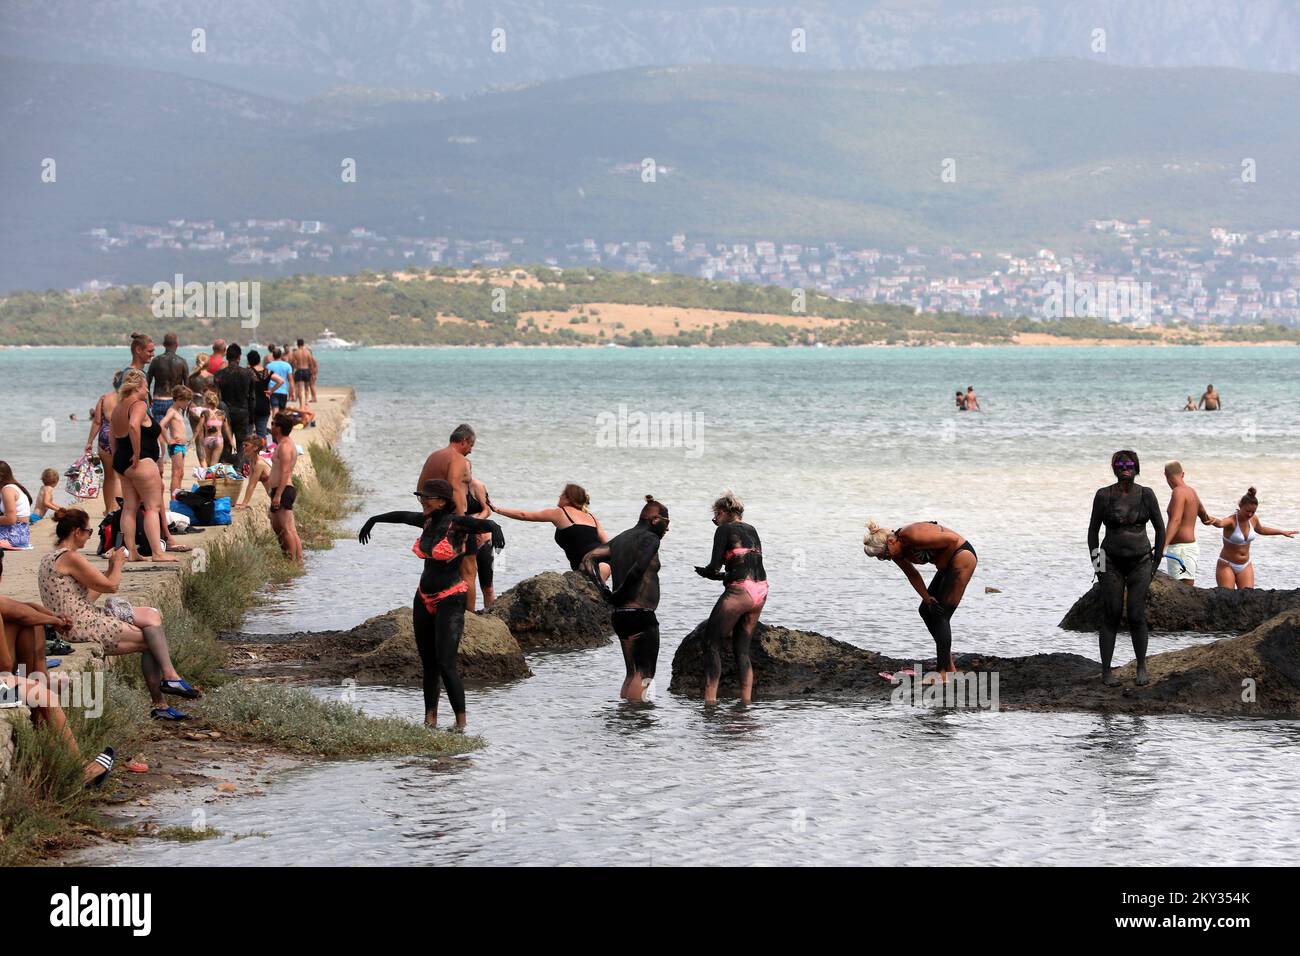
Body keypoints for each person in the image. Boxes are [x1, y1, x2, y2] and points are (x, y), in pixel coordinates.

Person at [357, 478, 503, 729]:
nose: (422, 502)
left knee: (446, 662)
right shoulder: (425, 521)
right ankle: (430, 721)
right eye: (420, 498)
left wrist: (497, 530)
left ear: (442, 501)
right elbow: (402, 516)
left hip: (451, 597)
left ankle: (461, 725)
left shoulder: (456, 524)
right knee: (428, 664)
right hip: (423, 597)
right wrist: (374, 519)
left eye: (427, 498)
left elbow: (486, 523)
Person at [38, 508, 199, 720]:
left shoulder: (51, 557)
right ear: (76, 531)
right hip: (79, 625)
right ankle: (163, 695)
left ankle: (167, 688)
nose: (90, 535)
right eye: (88, 531)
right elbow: (112, 586)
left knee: (152, 625)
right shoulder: (70, 557)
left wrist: (109, 569)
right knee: (151, 641)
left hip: (77, 619)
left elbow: (91, 594)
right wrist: (117, 565)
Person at [863, 518, 977, 681]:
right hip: (947, 565)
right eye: (880, 558)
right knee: (925, 610)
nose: (885, 559)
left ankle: (943, 673)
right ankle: (948, 664)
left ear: (891, 541)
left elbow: (952, 540)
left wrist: (943, 563)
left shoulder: (912, 535)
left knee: (941, 614)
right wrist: (927, 598)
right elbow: (912, 574)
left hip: (962, 556)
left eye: (884, 555)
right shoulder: (897, 552)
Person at [580, 495, 670, 703]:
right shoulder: (651, 539)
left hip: (620, 616)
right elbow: (639, 567)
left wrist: (603, 590)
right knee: (645, 673)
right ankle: (636, 719)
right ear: (654, 519)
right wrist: (620, 592)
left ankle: (624, 722)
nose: (667, 529)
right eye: (666, 523)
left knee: (632, 673)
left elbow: (588, 559)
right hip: (641, 615)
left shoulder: (621, 539)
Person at [1086, 450, 1164, 687]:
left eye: (1129, 464)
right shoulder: (1103, 495)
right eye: (1120, 464)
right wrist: (1098, 566)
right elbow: (1092, 532)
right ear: (1114, 468)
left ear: (1136, 467)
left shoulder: (1147, 495)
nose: (1125, 467)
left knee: (1136, 613)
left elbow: (1161, 529)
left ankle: (1141, 666)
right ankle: (1106, 672)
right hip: (1110, 562)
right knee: (1111, 613)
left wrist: (1155, 562)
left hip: (1141, 561)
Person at [695, 491, 767, 704]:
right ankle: (746, 702)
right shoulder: (752, 529)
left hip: (739, 592)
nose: (715, 522)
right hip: (761, 591)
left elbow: (715, 566)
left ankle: (710, 702)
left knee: (711, 643)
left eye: (714, 518)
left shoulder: (724, 530)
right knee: (742, 649)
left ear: (722, 512)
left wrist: (706, 572)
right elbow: (746, 562)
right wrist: (723, 575)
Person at [109, 370, 182, 563]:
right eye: (146, 387)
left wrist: (119, 456)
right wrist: (136, 452)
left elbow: (112, 436)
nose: (147, 391)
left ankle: (131, 551)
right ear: (138, 387)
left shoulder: (118, 407)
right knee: (152, 506)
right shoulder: (138, 404)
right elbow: (134, 426)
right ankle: (157, 553)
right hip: (140, 461)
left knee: (130, 507)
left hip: (122, 462)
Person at [417, 424, 481, 609]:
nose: (470, 451)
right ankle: (470, 618)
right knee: (469, 569)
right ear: (464, 441)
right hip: (454, 520)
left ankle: (434, 608)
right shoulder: (458, 459)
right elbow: (454, 487)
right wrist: (461, 523)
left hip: (433, 520)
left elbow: (421, 488)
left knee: (435, 567)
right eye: (471, 445)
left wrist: (429, 512)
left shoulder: (434, 456)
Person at [490, 482, 609, 576]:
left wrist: (498, 510)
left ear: (568, 499)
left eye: (562, 494)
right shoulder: (591, 516)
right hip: (603, 563)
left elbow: (524, 515)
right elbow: (606, 542)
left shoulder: (560, 513)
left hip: (586, 564)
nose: (559, 496)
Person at [1206, 487, 1297, 589]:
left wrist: (1282, 532)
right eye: (1247, 511)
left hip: (1245, 565)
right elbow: (1221, 523)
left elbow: (1261, 530)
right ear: (1240, 506)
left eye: (1253, 512)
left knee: (1248, 598)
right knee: (1227, 598)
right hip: (1227, 564)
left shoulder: (1253, 519)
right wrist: (1212, 520)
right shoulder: (1232, 520)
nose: (1250, 514)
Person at [1162, 461, 1210, 586]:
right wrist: (1218, 522)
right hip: (1188, 548)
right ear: (1182, 474)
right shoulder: (1191, 491)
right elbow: (1205, 516)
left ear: (1166, 475)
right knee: (1185, 592)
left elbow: (1176, 520)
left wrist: (1163, 545)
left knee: (1182, 593)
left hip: (1181, 550)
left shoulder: (1178, 492)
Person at [268, 414, 303, 564]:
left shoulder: (285, 446)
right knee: (285, 528)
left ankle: (292, 561)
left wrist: (278, 495)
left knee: (285, 529)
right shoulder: (283, 443)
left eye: (273, 423)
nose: (271, 425)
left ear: (279, 427)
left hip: (283, 490)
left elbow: (285, 471)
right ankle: (297, 561)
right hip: (280, 490)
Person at [85, 374, 122, 515]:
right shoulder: (126, 398)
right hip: (120, 436)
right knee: (119, 476)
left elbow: (97, 422)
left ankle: (109, 509)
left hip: (104, 438)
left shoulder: (104, 398)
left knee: (109, 476)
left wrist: (89, 442)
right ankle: (119, 509)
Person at [214, 342, 256, 457]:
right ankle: (239, 468)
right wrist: (252, 417)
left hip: (225, 413)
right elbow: (252, 398)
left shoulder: (219, 375)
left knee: (226, 443)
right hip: (243, 412)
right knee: (242, 444)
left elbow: (217, 399)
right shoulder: (248, 374)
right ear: (239, 357)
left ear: (226, 357)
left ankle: (226, 468)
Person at [158, 385, 193, 500]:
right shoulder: (171, 411)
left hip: (181, 445)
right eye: (185, 401)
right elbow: (161, 425)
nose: (187, 404)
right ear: (178, 399)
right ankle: (174, 499)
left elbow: (178, 428)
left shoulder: (178, 411)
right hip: (176, 446)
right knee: (176, 473)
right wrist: (168, 440)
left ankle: (178, 496)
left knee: (181, 473)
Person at [146, 332, 188, 423]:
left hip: (158, 400)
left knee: (160, 433)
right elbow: (186, 386)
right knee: (177, 434)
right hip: (175, 401)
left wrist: (149, 399)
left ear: (164, 345)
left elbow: (147, 382)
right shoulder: (182, 362)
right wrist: (185, 405)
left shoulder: (156, 361)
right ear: (177, 345)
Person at [468, 478, 498, 608]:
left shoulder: (477, 485)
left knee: (488, 587)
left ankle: (492, 617)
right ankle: (470, 616)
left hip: (487, 540)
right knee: (466, 583)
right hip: (466, 540)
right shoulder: (453, 486)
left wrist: (473, 523)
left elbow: (488, 510)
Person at [0, 462, 34, 550]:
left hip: (14, 534)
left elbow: (11, 519)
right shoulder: (13, 488)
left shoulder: (8, 490)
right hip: (21, 534)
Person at [234, 435, 271, 510]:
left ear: (255, 447)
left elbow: (252, 485)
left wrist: (244, 504)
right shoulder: (252, 461)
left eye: (246, 445)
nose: (244, 447)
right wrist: (244, 502)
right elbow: (250, 483)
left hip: (280, 496)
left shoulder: (259, 463)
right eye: (243, 445)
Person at [197, 390, 232, 468]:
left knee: (208, 463)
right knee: (214, 464)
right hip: (218, 439)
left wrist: (193, 438)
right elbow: (226, 428)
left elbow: (199, 426)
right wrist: (231, 441)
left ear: (206, 402)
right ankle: (213, 479)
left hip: (207, 440)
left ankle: (210, 478)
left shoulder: (204, 413)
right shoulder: (221, 413)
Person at [247, 349, 276, 440]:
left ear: (249, 361)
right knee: (262, 434)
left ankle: (249, 454)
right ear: (259, 360)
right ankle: (262, 453)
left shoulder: (247, 372)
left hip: (250, 406)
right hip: (264, 405)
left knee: (248, 434)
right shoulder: (266, 372)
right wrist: (271, 391)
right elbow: (281, 381)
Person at [265, 346, 293, 415]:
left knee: (275, 409)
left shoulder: (268, 366)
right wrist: (291, 393)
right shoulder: (287, 365)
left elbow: (265, 380)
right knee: (282, 412)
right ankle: (279, 425)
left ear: (273, 355)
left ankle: (275, 424)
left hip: (273, 391)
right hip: (284, 392)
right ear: (281, 355)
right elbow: (291, 381)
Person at [291, 338, 313, 410]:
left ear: (297, 344)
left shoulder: (295, 352)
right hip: (306, 370)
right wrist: (311, 371)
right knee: (306, 388)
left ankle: (301, 405)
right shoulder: (308, 352)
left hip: (299, 370)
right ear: (303, 344)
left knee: (300, 389)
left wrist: (296, 368)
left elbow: (293, 363)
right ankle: (306, 402)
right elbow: (310, 362)